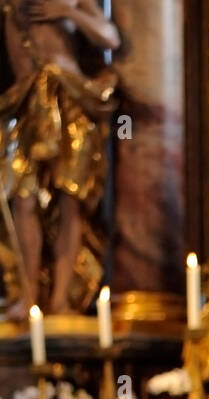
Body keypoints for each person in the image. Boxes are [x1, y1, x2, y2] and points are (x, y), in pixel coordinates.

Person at [0, 0, 120, 319]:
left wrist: (68, 12)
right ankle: (28, 297)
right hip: (26, 101)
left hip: (69, 95)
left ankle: (61, 300)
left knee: (71, 195)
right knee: (22, 197)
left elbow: (110, 38)